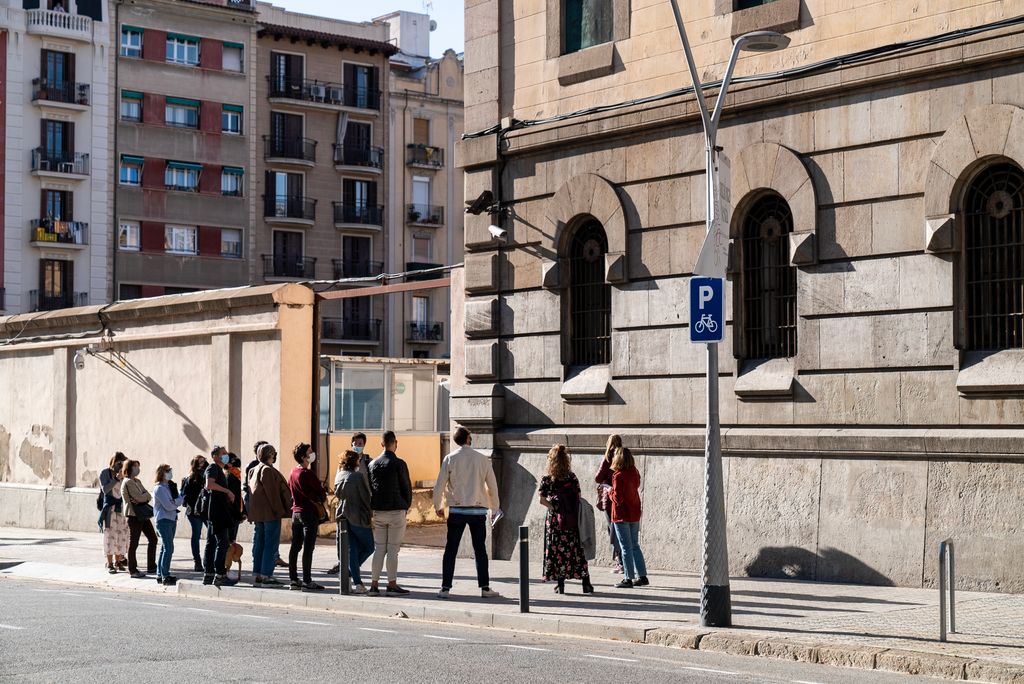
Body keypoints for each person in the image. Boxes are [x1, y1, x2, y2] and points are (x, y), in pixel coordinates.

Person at [433, 427, 501, 599]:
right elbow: (492, 486)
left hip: (456, 509)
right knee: (480, 550)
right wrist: (495, 507)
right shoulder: (482, 459)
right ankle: (485, 588)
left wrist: (438, 506)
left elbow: (439, 485)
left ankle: (445, 587)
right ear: (469, 438)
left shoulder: (449, 459)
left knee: (451, 549)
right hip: (478, 510)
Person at [538, 444, 593, 595]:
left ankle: (560, 585)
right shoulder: (572, 476)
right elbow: (578, 497)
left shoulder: (547, 479)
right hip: (572, 519)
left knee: (558, 552)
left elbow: (542, 500)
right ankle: (586, 583)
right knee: (576, 550)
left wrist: (554, 507)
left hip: (556, 521)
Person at [367, 431, 412, 596]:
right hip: (396, 511)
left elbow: (371, 488)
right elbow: (406, 487)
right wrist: (405, 505)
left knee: (379, 549)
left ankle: (374, 585)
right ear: (395, 443)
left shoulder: (372, 464)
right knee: (393, 549)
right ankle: (392, 583)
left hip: (378, 511)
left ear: (381, 444)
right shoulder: (399, 463)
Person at [247, 443, 292, 587]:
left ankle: (258, 573)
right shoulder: (267, 470)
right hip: (269, 514)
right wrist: (279, 511)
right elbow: (272, 495)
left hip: (258, 514)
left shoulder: (253, 470)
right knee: (270, 545)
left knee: (259, 543)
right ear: (270, 454)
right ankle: (266, 575)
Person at [327, 432, 370, 576]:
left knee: (355, 544)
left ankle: (350, 569)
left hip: (360, 505)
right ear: (351, 444)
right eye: (356, 443)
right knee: (349, 542)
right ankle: (346, 567)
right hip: (349, 506)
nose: (358, 446)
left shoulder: (368, 461)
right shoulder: (344, 464)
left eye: (360, 444)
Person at [288, 442, 327, 592]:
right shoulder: (307, 474)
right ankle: (307, 580)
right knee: (308, 548)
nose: (313, 453)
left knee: (295, 547)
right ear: (304, 457)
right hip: (309, 513)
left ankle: (293, 579)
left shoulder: (293, 472)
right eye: (310, 452)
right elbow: (320, 494)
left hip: (295, 513)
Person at [333, 449, 374, 593]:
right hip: (358, 516)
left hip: (342, 516)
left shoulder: (339, 476)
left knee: (352, 549)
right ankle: (350, 573)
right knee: (370, 547)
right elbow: (365, 497)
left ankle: (354, 579)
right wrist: (370, 513)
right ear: (355, 462)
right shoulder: (357, 477)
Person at [610, 447, 649, 589]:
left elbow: (617, 498)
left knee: (625, 547)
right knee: (634, 545)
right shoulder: (635, 472)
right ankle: (642, 576)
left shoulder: (618, 475)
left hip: (621, 515)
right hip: (634, 512)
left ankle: (628, 578)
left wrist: (609, 491)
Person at [203, 445, 237, 587]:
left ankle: (209, 574)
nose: (226, 455)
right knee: (222, 543)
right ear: (215, 456)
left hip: (217, 511)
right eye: (223, 453)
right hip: (217, 512)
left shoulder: (219, 469)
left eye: (226, 453)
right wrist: (227, 491)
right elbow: (209, 485)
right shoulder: (213, 467)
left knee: (212, 543)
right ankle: (220, 575)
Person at [121, 459, 157, 579]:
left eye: (138, 466)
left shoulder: (137, 481)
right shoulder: (128, 482)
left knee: (153, 538)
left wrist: (144, 497)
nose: (138, 469)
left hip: (142, 514)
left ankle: (151, 565)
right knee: (134, 543)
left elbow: (147, 495)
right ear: (129, 468)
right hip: (134, 515)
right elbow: (139, 497)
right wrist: (143, 497)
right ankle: (132, 569)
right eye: (135, 466)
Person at [595, 434, 624, 574]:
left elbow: (598, 477)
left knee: (613, 531)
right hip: (622, 497)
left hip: (609, 499)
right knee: (621, 530)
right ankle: (624, 561)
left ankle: (620, 562)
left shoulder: (607, 458)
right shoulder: (624, 457)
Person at [153, 464, 184, 586]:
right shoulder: (159, 488)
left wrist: (176, 501)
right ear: (161, 472)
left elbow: (178, 499)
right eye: (167, 471)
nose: (170, 472)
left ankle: (160, 574)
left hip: (171, 519)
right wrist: (177, 502)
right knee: (169, 548)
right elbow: (169, 505)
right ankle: (165, 575)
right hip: (163, 519)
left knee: (164, 548)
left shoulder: (170, 486)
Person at [99, 454, 129, 573]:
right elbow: (105, 490)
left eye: (123, 464)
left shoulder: (124, 474)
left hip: (121, 508)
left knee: (121, 535)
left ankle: (118, 561)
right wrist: (116, 478)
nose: (120, 466)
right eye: (119, 464)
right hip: (110, 509)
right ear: (113, 462)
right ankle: (109, 562)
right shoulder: (105, 473)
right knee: (110, 535)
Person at [180, 455, 208, 572]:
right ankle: (197, 561)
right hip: (194, 511)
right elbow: (184, 496)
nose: (204, 463)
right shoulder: (190, 478)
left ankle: (208, 560)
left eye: (204, 461)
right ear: (196, 464)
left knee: (213, 535)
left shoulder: (207, 474)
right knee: (196, 535)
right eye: (201, 462)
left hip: (206, 510)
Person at [226, 452, 245, 542]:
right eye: (233, 459)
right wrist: (238, 514)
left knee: (232, 539)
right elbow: (232, 497)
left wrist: (243, 511)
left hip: (235, 511)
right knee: (230, 540)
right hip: (231, 512)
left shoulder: (235, 474)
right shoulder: (230, 476)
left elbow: (238, 495)